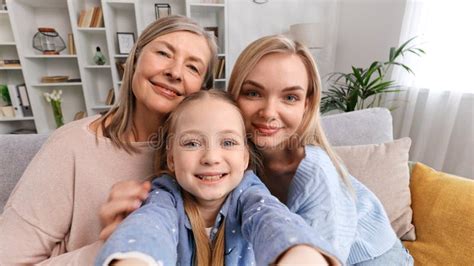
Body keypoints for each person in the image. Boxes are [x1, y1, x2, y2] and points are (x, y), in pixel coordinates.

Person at [0, 15, 218, 265]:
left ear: (203, 90)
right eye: (163, 53)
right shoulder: (71, 146)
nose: (175, 72)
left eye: (193, 67)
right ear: (134, 59)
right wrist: (115, 247)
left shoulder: (207, 162)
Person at [95, 90, 339, 266]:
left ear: (244, 158)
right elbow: (148, 227)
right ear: (171, 158)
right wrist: (134, 259)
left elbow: (273, 220)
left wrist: (301, 253)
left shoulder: (250, 194)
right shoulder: (164, 196)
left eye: (228, 142)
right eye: (191, 143)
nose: (211, 157)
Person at [227, 35, 413, 265]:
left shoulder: (317, 172)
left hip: (373, 258)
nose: (269, 112)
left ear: (306, 105)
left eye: (290, 97)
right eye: (253, 93)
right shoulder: (234, 159)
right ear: (233, 95)